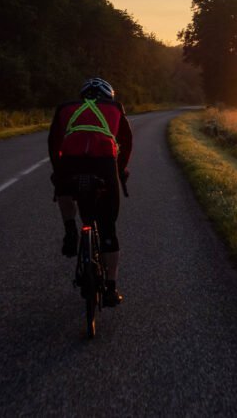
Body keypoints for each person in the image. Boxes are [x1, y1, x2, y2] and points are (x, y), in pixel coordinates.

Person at [48, 77, 133, 307]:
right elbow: (126, 140)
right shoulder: (115, 108)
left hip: (71, 163)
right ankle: (112, 289)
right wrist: (121, 169)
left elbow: (54, 143)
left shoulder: (65, 107)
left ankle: (70, 231)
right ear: (109, 96)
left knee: (63, 184)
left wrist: (58, 173)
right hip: (104, 164)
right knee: (108, 227)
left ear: (82, 96)